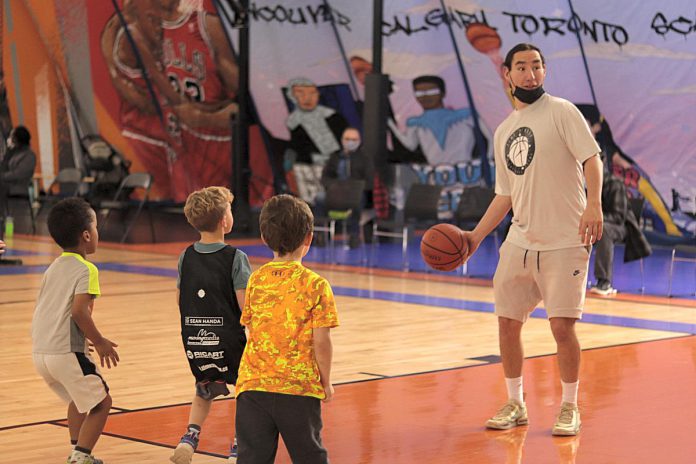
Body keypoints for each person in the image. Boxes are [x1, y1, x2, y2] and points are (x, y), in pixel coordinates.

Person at [462, 43, 603, 436]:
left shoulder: (562, 111)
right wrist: (476, 235)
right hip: (521, 240)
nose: (530, 73)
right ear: (507, 74)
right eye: (521, 67)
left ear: (545, 71)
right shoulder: (504, 130)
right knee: (507, 323)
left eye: (537, 66)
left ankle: (570, 406)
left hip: (566, 239)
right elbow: (504, 195)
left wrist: (594, 204)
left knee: (562, 327)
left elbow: (593, 159)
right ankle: (515, 402)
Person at [235, 194, 339, 463]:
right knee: (310, 457)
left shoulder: (256, 279)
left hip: (252, 387)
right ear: (309, 238)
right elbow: (322, 342)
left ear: (264, 236)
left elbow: (251, 330)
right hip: (298, 389)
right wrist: (325, 381)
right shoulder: (316, 285)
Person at [31, 198, 119, 464]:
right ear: (86, 235)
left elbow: (48, 310)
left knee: (78, 399)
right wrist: (100, 341)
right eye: (95, 226)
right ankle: (81, 457)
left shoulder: (53, 267)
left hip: (41, 352)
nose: (97, 232)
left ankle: (76, 449)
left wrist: (79, 339)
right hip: (65, 351)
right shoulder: (86, 269)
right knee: (102, 403)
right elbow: (79, 312)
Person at [171, 186, 251, 464]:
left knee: (205, 386)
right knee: (246, 388)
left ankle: (190, 436)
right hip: (229, 338)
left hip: (195, 336)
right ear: (224, 221)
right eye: (229, 210)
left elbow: (180, 298)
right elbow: (245, 305)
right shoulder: (235, 258)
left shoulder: (186, 256)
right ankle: (241, 444)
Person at [388, 75, 493, 165]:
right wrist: (390, 124)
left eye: (432, 91)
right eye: (419, 93)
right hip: (436, 176)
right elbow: (410, 145)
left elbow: (491, 138)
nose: (426, 97)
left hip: (467, 174)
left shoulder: (466, 115)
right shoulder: (415, 123)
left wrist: (488, 160)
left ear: (443, 93)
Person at [590, 167, 652, 295]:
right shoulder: (590, 185)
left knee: (604, 230)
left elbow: (618, 217)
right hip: (600, 224)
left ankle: (604, 282)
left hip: (623, 228)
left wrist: (597, 219)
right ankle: (570, 278)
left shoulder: (615, 185)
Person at [321, 127, 368, 249]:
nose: (350, 142)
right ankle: (321, 234)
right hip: (335, 192)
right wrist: (332, 186)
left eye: (354, 139)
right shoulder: (335, 157)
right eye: (348, 139)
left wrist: (354, 188)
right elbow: (325, 176)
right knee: (319, 199)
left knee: (357, 202)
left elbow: (368, 180)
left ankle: (354, 235)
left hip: (355, 193)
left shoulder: (364, 158)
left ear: (359, 141)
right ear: (342, 140)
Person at [0, 126, 37, 232]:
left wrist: (2, 176)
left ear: (18, 139)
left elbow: (19, 174)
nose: (10, 139)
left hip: (19, 187)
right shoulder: (13, 153)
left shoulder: (30, 156)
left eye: (12, 136)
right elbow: (3, 168)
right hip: (6, 185)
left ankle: (3, 223)